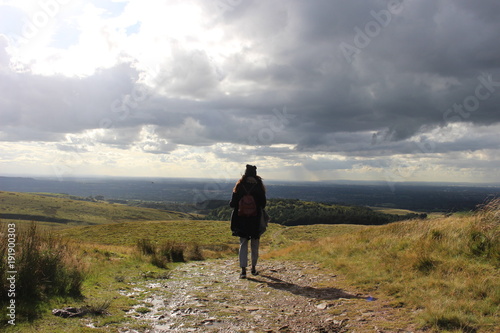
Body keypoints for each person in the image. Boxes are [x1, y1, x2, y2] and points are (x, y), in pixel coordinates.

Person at [230, 164, 267, 279]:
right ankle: (254, 268)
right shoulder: (259, 185)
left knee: (243, 244)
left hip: (241, 220)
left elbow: (232, 204)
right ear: (255, 173)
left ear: (245, 173)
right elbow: (263, 204)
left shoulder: (240, 185)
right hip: (255, 220)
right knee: (255, 244)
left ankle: (243, 270)